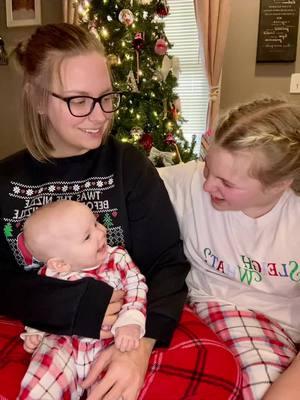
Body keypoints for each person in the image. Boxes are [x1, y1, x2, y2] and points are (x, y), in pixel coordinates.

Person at [0, 23, 241, 400]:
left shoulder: (129, 166)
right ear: (36, 99)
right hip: (34, 332)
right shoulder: (5, 180)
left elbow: (167, 265)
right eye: (79, 101)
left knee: (217, 368)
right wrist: (65, 305)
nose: (100, 117)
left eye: (106, 97)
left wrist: (139, 349)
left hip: (130, 326)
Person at [159, 97, 300, 400]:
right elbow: (118, 186)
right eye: (208, 167)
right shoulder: (188, 182)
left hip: (271, 328)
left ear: (279, 185)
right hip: (193, 313)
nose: (208, 185)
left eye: (227, 182)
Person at [18, 200, 147, 399]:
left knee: (116, 386)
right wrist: (35, 331)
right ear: (60, 264)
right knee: (44, 370)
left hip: (109, 343)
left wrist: (131, 321)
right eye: (87, 236)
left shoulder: (117, 259)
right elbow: (42, 306)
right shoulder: (50, 276)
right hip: (65, 343)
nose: (101, 232)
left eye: (95, 223)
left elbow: (136, 286)